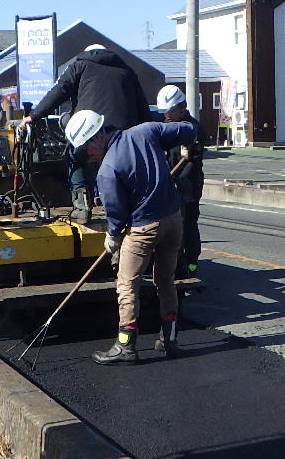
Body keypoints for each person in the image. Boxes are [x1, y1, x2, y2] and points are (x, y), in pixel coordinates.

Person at [66, 108, 196, 365]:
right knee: (165, 280)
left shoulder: (108, 169)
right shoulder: (145, 131)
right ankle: (169, 338)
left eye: (86, 147)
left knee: (127, 284)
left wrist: (112, 236)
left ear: (97, 138)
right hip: (172, 220)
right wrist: (188, 146)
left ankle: (125, 345)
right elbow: (188, 129)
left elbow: (117, 213)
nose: (88, 153)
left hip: (143, 229)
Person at [19, 44, 151, 222]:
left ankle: (82, 205)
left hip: (90, 130)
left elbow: (60, 90)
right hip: (123, 135)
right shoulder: (127, 70)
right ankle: (124, 204)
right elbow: (143, 110)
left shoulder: (80, 65)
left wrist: (33, 116)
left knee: (75, 157)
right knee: (122, 166)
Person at [155, 85, 207, 278]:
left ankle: (190, 265)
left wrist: (180, 181)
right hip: (169, 183)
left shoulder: (193, 129)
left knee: (188, 225)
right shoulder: (164, 126)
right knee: (170, 226)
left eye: (171, 111)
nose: (167, 115)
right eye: (164, 111)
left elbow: (193, 161)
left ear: (182, 107)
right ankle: (174, 265)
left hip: (188, 186)